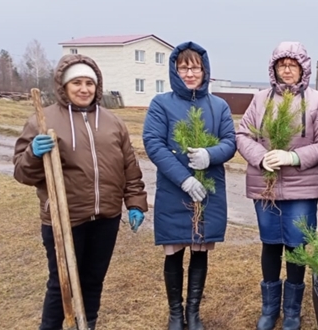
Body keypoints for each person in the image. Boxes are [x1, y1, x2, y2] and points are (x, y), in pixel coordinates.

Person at [13, 54, 147, 330]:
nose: (84, 89)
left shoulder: (113, 122)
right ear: (64, 85)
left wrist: (134, 202)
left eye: (90, 83)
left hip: (106, 217)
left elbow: (129, 167)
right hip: (65, 218)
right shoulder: (44, 120)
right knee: (60, 284)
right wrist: (33, 154)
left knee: (93, 280)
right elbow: (22, 173)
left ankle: (87, 326)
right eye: (77, 82)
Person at [236, 41, 318, 330]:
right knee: (270, 243)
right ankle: (269, 308)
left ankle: (291, 310)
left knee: (296, 246)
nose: (287, 70)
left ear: (303, 68)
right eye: (282, 65)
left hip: (301, 187)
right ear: (274, 68)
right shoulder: (261, 99)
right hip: (264, 185)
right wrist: (260, 157)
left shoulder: (316, 101)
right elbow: (243, 134)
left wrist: (294, 156)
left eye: (293, 65)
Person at [143, 41, 236, 330]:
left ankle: (193, 312)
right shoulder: (162, 104)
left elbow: (230, 142)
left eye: (195, 67)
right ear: (174, 70)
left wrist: (210, 155)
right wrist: (183, 178)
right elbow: (154, 143)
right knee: (174, 250)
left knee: (199, 249)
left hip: (208, 189)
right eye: (184, 67)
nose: (190, 73)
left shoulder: (218, 106)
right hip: (174, 190)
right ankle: (175, 313)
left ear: (205, 70)